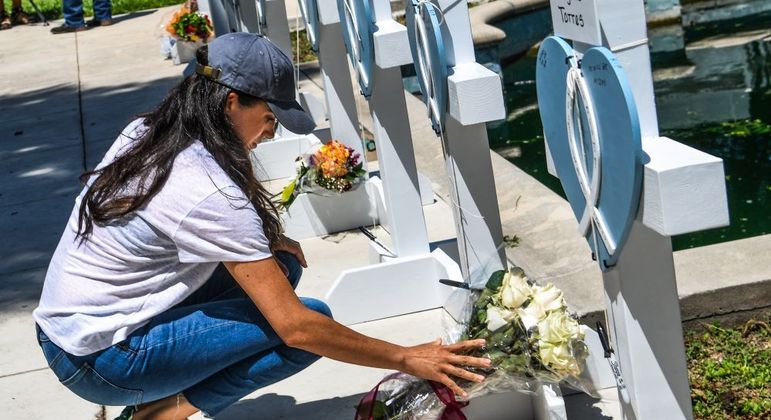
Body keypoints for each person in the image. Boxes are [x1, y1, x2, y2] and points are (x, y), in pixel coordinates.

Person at [33, 33, 489, 420]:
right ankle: (164, 412)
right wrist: (407, 357)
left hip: (67, 330)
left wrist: (266, 240)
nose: (272, 132)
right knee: (311, 328)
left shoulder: (150, 131)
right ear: (231, 101)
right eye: (269, 117)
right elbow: (298, 329)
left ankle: (160, 399)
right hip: (102, 361)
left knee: (281, 266)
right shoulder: (206, 190)